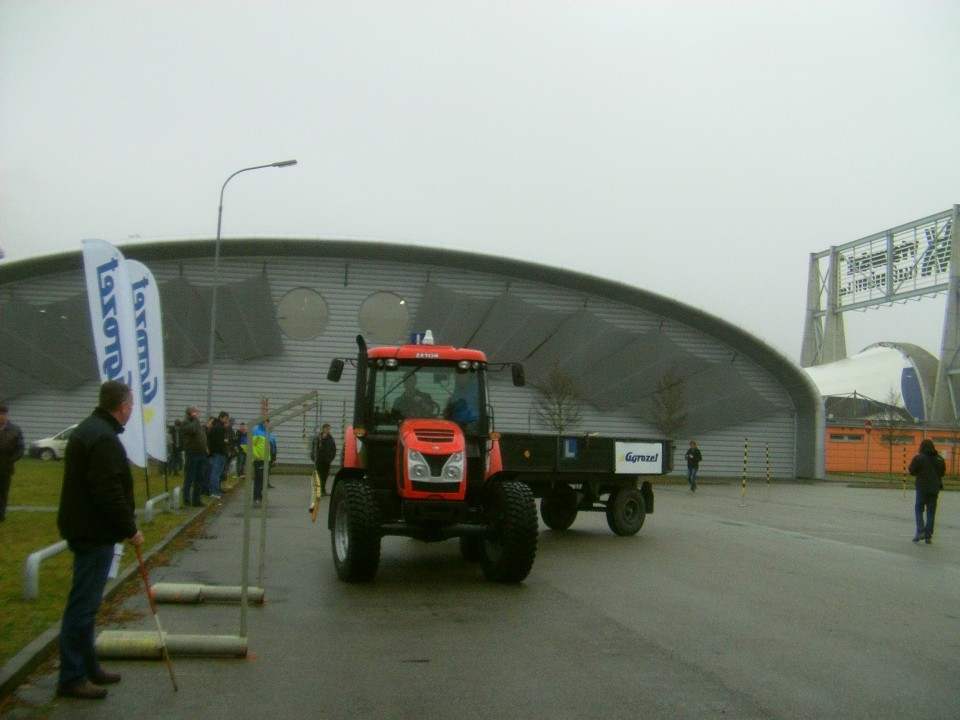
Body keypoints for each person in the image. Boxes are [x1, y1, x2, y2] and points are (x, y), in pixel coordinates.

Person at [55, 381, 145, 700]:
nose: (132, 409)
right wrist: (130, 529)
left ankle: (88, 666)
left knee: (87, 605)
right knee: (83, 606)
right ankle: (71, 676)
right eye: (131, 404)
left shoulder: (91, 429)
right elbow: (107, 492)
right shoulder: (103, 438)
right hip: (92, 531)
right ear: (121, 407)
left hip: (85, 527)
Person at [909, 438, 945, 544]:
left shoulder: (919, 458)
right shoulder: (939, 459)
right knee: (931, 511)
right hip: (934, 488)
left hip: (922, 488)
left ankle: (920, 531)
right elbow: (942, 473)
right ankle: (928, 536)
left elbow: (912, 471)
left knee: (918, 509)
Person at [0, 400, 25, 523]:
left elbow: (21, 448)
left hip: (6, 467)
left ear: (7, 415)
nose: (1, 416)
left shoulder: (15, 430)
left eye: (3, 414)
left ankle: (1, 515)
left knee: (3, 492)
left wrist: (12, 459)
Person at [180, 406, 209, 507]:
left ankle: (196, 499)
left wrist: (205, 447)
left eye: (197, 411)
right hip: (191, 453)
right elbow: (192, 430)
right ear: (189, 413)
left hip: (200, 452)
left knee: (199, 477)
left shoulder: (197, 423)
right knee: (189, 477)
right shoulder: (186, 423)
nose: (197, 413)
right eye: (194, 411)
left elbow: (200, 435)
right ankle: (186, 500)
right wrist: (196, 419)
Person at [251, 421, 277, 503]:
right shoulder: (256, 432)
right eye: (265, 423)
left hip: (267, 459)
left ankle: (260, 495)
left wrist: (272, 458)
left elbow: (271, 446)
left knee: (263, 479)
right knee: (259, 478)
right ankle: (256, 496)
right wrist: (256, 455)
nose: (267, 424)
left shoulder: (268, 433)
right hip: (258, 459)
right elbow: (252, 445)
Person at [206, 412, 230, 499]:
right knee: (216, 472)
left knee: (216, 472)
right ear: (221, 418)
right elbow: (218, 441)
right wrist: (224, 443)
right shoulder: (219, 428)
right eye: (226, 418)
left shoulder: (216, 427)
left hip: (216, 452)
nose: (227, 420)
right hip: (219, 452)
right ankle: (214, 491)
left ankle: (214, 490)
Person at [311, 423, 336, 497]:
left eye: (329, 429)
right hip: (319, 460)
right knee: (319, 475)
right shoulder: (318, 437)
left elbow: (333, 449)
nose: (328, 431)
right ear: (323, 429)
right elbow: (315, 447)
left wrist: (331, 457)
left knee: (325, 476)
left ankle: (323, 490)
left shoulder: (330, 438)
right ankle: (319, 490)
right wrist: (321, 439)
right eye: (327, 429)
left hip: (327, 461)